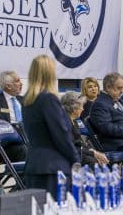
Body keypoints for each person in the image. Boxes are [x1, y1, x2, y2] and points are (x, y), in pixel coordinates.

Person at [22, 55, 80, 199]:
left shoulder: (27, 100)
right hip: (54, 167)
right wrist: (76, 159)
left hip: (34, 165)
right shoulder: (49, 99)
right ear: (50, 73)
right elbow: (61, 135)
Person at [61, 91, 109, 167]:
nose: (83, 109)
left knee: (99, 160)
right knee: (94, 162)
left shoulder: (77, 121)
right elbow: (72, 146)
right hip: (72, 155)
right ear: (74, 108)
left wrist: (92, 152)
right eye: (81, 106)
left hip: (80, 152)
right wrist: (93, 153)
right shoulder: (65, 123)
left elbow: (82, 142)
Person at [0, 71, 26, 165]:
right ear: (8, 86)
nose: (21, 84)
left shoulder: (25, 100)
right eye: (18, 81)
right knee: (23, 150)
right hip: (9, 144)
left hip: (29, 140)